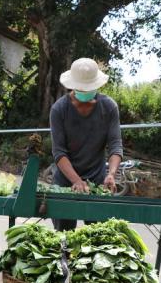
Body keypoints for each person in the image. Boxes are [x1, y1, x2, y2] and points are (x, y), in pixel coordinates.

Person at [49, 58, 123, 231]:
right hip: (65, 182)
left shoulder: (109, 107)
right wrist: (76, 180)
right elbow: (59, 152)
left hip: (97, 180)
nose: (84, 92)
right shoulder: (59, 110)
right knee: (64, 240)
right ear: (73, 86)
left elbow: (115, 144)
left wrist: (111, 174)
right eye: (81, 88)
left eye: (88, 88)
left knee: (98, 239)